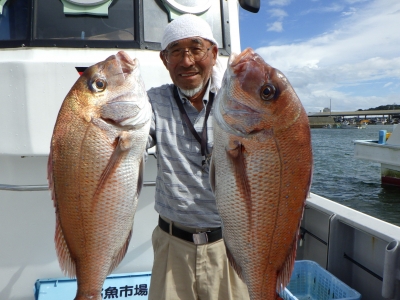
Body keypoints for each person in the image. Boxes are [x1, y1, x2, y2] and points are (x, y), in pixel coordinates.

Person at [146, 14, 250, 300]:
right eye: (176, 51)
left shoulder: (237, 102)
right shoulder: (153, 102)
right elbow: (131, 136)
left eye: (195, 48)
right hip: (171, 245)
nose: (187, 61)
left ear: (214, 53)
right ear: (164, 60)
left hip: (229, 245)